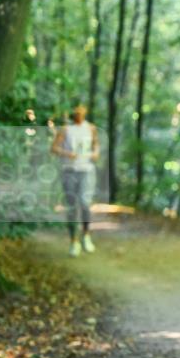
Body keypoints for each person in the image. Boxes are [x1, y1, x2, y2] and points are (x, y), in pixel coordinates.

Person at [51, 104, 99, 257]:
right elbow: (54, 148)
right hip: (69, 171)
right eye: (76, 110)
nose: (79, 113)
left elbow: (96, 145)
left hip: (86, 171)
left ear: (85, 111)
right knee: (71, 206)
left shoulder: (91, 128)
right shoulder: (65, 130)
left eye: (81, 110)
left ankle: (86, 235)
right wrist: (67, 153)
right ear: (73, 112)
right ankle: (73, 241)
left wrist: (95, 153)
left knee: (85, 203)